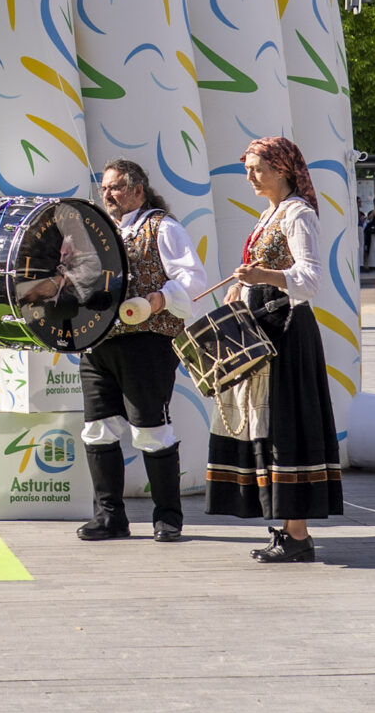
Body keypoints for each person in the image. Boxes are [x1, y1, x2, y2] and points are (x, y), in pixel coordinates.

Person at [204, 136, 344, 562]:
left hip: (287, 331)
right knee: (268, 426)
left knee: (287, 426)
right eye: (247, 168)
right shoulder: (270, 214)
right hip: (266, 329)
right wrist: (241, 288)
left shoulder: (298, 214)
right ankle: (289, 529)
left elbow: (311, 279)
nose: (249, 176)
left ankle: (297, 535)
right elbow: (266, 274)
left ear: (282, 170)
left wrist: (261, 276)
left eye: (257, 168)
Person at [77, 159, 207, 543]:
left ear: (137, 190)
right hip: (98, 344)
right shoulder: (99, 230)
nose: (107, 194)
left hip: (147, 343)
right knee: (97, 430)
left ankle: (168, 518)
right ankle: (110, 517)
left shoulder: (163, 227)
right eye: (104, 188)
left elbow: (193, 281)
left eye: (115, 187)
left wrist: (160, 299)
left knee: (151, 431)